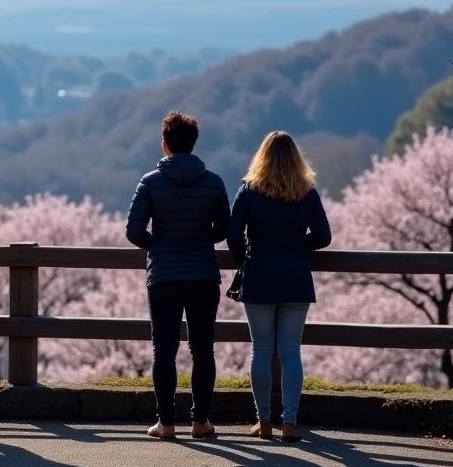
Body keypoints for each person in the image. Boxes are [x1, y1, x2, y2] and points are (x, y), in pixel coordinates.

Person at [126, 110, 230, 441]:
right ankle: (201, 422)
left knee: (164, 350)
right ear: (193, 143)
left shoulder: (150, 182)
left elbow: (133, 231)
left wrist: (158, 243)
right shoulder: (213, 182)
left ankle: (166, 424)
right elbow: (224, 229)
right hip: (202, 273)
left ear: (165, 145)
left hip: (164, 276)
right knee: (203, 349)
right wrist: (201, 237)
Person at [226, 130, 332, 442]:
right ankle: (289, 422)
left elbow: (233, 236)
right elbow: (324, 237)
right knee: (290, 352)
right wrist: (299, 246)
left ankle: (264, 421)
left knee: (261, 350)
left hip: (259, 275)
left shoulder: (248, 192)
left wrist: (246, 257)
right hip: (296, 277)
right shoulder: (307, 193)